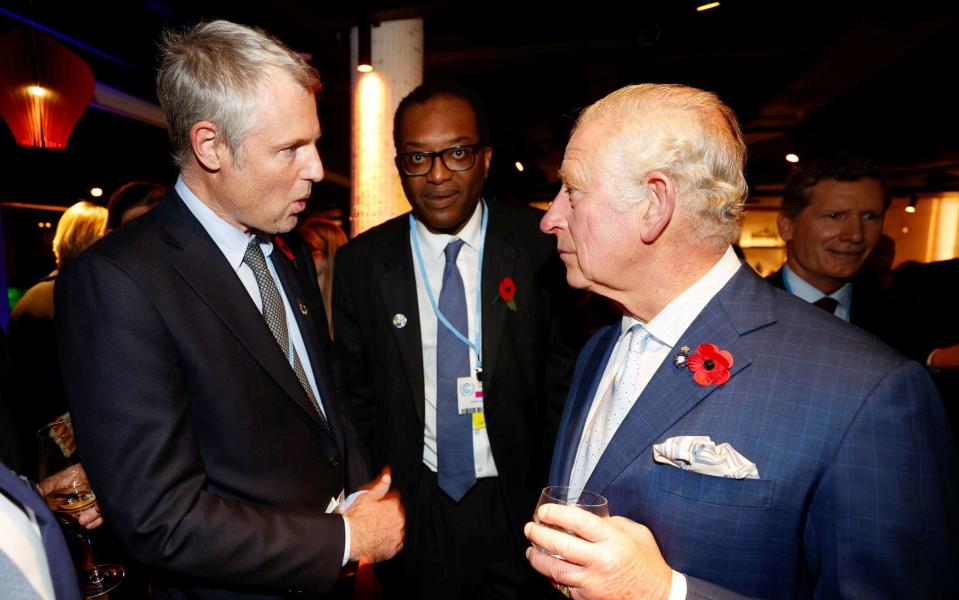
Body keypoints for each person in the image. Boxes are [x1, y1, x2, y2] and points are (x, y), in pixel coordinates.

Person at [525, 83, 957, 599]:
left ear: (654, 204)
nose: (551, 218)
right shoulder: (600, 347)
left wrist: (666, 594)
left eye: (571, 191)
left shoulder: (869, 393)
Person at [55, 20, 403, 599]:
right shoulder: (117, 283)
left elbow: (322, 398)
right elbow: (159, 518)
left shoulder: (281, 249)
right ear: (210, 145)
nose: (316, 168)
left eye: (312, 142)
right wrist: (344, 539)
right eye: (290, 148)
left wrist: (360, 488)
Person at [333, 80, 577, 599]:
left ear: (485, 158)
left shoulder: (541, 248)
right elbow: (356, 398)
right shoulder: (361, 264)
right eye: (418, 158)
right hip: (415, 508)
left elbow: (563, 384)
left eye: (457, 153)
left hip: (521, 505)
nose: (438, 174)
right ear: (400, 164)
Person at [8, 201, 108, 478]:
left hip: (32, 443)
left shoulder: (35, 294)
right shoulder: (77, 295)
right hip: (66, 447)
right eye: (109, 234)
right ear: (92, 238)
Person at [767, 153, 891, 335]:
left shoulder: (899, 322)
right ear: (787, 225)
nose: (856, 235)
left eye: (870, 217)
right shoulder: (741, 312)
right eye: (834, 216)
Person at [298, 215, 347, 332]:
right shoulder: (300, 300)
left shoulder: (349, 309)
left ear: (330, 253)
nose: (301, 257)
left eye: (309, 249)